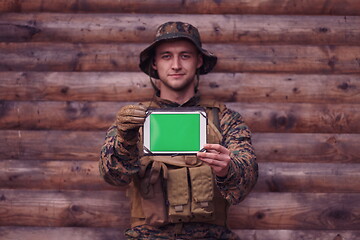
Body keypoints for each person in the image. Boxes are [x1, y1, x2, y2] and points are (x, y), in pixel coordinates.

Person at [99, 21, 258, 240]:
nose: (175, 65)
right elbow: (114, 176)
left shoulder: (224, 119)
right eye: (166, 56)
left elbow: (247, 179)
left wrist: (228, 168)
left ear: (199, 61)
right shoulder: (133, 120)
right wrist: (125, 140)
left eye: (185, 55)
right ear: (154, 63)